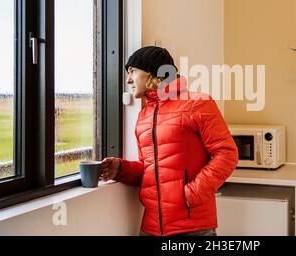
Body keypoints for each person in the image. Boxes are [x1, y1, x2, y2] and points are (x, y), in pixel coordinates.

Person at [100, 46, 239, 236]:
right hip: (150, 228)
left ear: (152, 73)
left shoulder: (198, 103)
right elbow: (149, 169)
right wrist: (121, 170)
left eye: (132, 71)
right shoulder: (143, 116)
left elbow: (227, 154)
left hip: (192, 228)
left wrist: (191, 195)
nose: (128, 79)